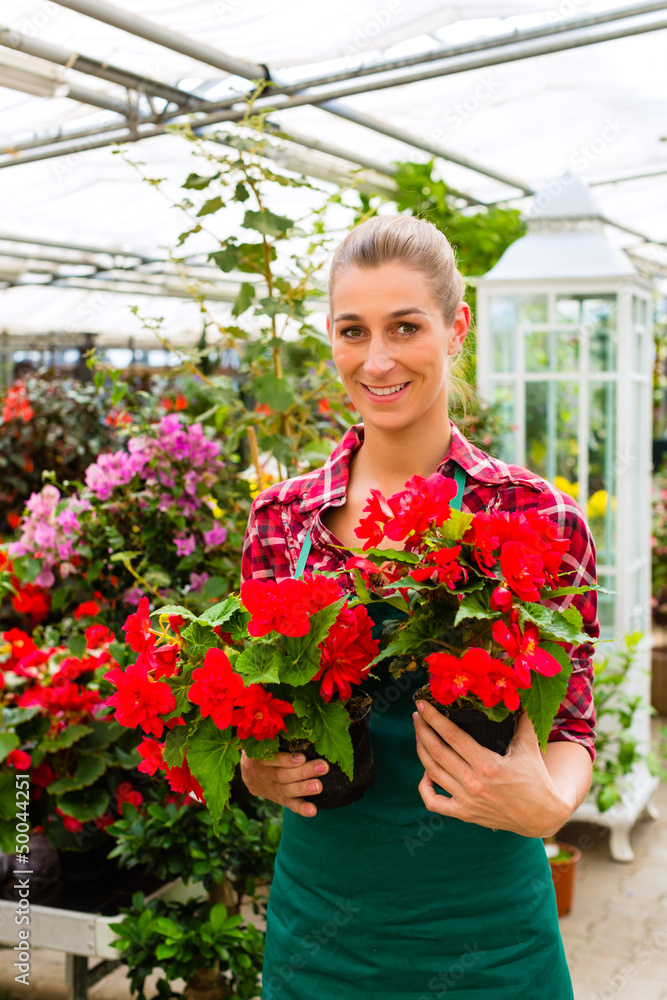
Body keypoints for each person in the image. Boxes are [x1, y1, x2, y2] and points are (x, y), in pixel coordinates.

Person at [240, 215, 598, 999]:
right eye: (351, 330)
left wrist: (551, 805)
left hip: (490, 939)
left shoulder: (538, 517)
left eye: (405, 327)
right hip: (321, 941)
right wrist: (252, 769)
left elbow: (569, 722)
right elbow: (259, 711)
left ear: (454, 329)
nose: (376, 360)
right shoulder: (281, 521)